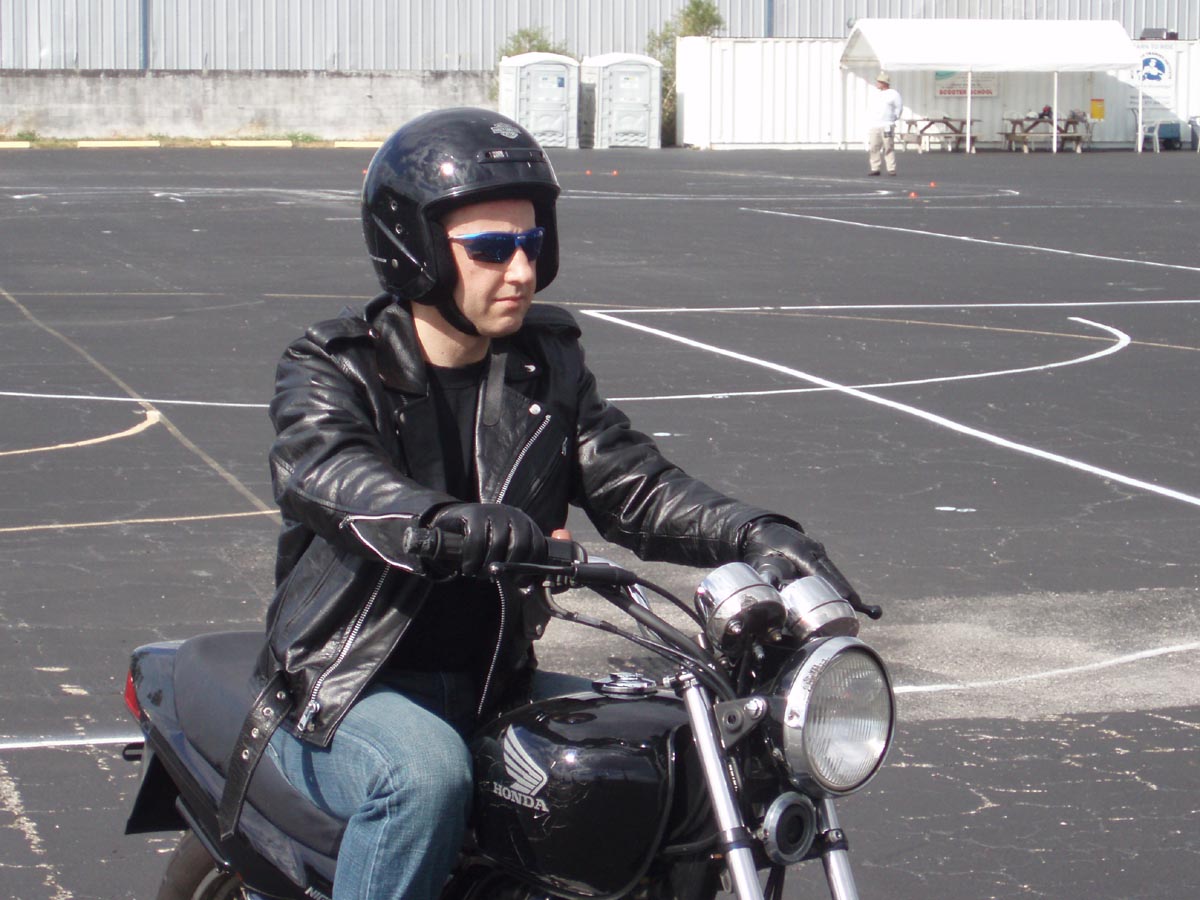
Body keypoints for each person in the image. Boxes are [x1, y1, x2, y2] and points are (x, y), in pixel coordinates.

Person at [234, 107, 863, 900]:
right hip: (345, 689)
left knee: (678, 757)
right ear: (416, 251)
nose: (522, 270)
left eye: (532, 244)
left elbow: (633, 483)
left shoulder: (545, 366)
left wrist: (754, 532)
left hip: (491, 683)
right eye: (492, 250)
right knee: (424, 779)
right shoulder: (333, 367)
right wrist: (440, 522)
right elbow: (331, 473)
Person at [866, 71, 903, 176]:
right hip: (875, 125)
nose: (877, 83)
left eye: (879, 82)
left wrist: (894, 118)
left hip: (887, 125)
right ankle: (875, 168)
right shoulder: (876, 94)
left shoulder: (893, 94)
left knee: (888, 146)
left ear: (884, 83)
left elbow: (899, 107)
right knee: (874, 146)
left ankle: (891, 168)